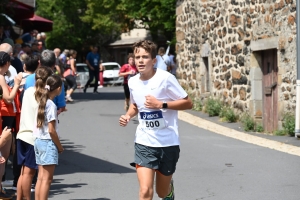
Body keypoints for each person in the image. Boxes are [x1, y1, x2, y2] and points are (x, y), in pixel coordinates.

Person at [119, 40, 193, 200]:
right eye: (137, 56)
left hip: (168, 143)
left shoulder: (166, 79)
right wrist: (128, 115)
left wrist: (161, 104)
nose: (140, 60)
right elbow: (135, 105)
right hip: (144, 142)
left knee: (162, 192)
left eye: (145, 57)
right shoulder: (132, 82)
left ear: (153, 61)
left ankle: (169, 191)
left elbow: (188, 103)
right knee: (145, 191)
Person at [16, 67, 52, 200]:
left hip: (22, 134)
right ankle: (26, 198)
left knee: (23, 172)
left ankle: (20, 198)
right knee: (29, 174)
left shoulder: (27, 91)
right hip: (33, 137)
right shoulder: (44, 95)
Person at [33, 75, 64, 200]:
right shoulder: (51, 105)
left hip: (39, 141)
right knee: (47, 179)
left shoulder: (42, 101)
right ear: (58, 88)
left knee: (40, 178)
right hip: (48, 142)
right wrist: (60, 147)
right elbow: (51, 130)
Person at [0, 51, 22, 199]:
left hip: (6, 116)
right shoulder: (1, 76)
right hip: (5, 116)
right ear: (7, 63)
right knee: (3, 154)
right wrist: (17, 84)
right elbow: (8, 99)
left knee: (4, 154)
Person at [24, 50, 66, 115]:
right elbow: (61, 106)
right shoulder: (58, 80)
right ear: (54, 63)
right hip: (49, 119)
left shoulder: (29, 79)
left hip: (30, 117)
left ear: (39, 62)